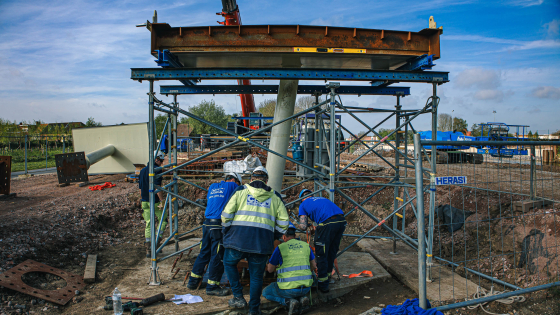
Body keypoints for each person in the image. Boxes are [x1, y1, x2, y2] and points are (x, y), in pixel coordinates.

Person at [221, 166, 289, 315]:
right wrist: (274, 236)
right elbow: (284, 223)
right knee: (256, 276)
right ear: (266, 181)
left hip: (238, 239)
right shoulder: (275, 196)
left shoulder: (241, 191)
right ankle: (254, 310)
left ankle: (238, 297)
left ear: (251, 179)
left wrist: (227, 230)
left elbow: (226, 215)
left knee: (229, 262)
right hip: (261, 243)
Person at [186, 172, 242, 296]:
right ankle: (212, 286)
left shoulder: (212, 186)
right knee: (217, 255)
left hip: (207, 224)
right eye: (239, 183)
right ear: (234, 180)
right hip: (218, 225)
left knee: (204, 252)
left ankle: (193, 281)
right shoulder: (233, 186)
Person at [296, 189, 347, 293]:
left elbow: (303, 226)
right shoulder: (322, 199)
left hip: (327, 223)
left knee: (321, 252)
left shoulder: (303, 204)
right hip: (341, 221)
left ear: (302, 199)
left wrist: (297, 225)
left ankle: (323, 284)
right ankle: (328, 276)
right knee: (331, 250)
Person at [263, 223, 315, 315]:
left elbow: (270, 270)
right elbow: (314, 266)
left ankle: (287, 302)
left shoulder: (280, 248)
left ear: (283, 237)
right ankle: (302, 299)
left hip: (288, 290)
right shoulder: (306, 246)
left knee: (266, 292)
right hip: (306, 288)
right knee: (298, 291)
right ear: (295, 236)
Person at [138, 151, 166, 258]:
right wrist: (162, 201)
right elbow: (157, 187)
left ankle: (148, 249)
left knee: (149, 223)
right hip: (154, 201)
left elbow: (140, 188)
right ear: (157, 159)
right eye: (161, 161)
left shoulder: (143, 171)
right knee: (163, 220)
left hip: (145, 201)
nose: (162, 163)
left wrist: (143, 200)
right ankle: (156, 244)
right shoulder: (156, 170)